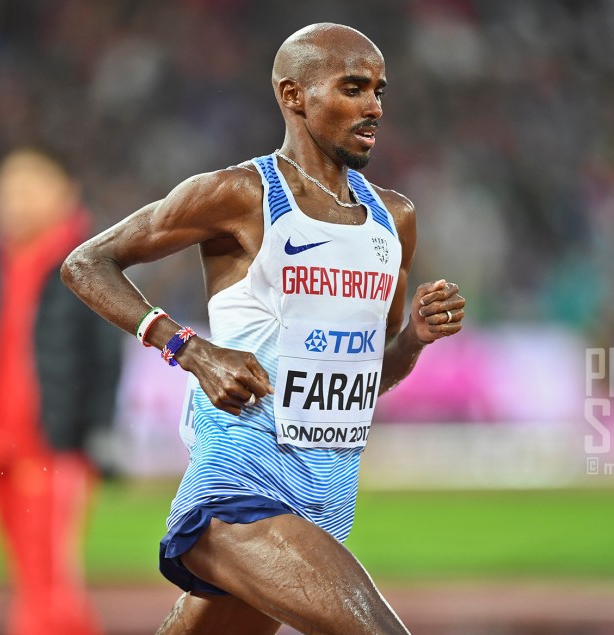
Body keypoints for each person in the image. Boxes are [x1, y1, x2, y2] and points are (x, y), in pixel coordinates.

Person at [61, 23, 465, 635]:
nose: (374, 107)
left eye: (379, 90)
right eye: (353, 88)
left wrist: (413, 336)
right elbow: (86, 263)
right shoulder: (240, 194)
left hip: (325, 503)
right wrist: (189, 349)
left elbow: (374, 373)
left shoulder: (394, 219)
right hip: (238, 493)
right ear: (293, 95)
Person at [0, 147, 122, 635]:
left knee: (45, 574)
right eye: (8, 187)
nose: (16, 199)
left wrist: (98, 430)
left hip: (53, 443)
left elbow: (107, 356)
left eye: (31, 186)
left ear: (65, 192)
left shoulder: (89, 264)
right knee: (33, 574)